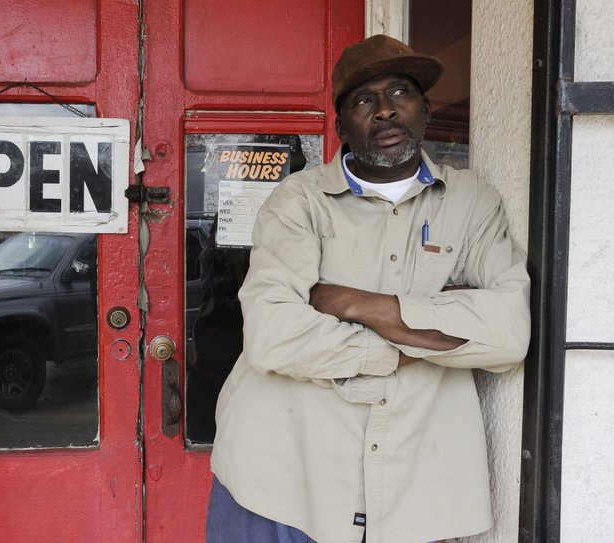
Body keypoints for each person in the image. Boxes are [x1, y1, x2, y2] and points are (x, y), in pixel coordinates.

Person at [206, 35, 531, 543]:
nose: (384, 111)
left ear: (424, 109)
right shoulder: (298, 201)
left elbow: (509, 333)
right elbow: (272, 336)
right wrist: (421, 339)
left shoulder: (471, 200)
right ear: (340, 124)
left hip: (414, 483)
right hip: (282, 475)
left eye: (400, 92)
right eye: (363, 99)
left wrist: (353, 303)